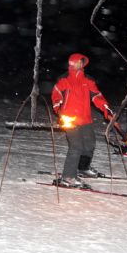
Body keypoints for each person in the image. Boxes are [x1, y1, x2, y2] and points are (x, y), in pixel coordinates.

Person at [51, 53, 114, 187]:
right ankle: (68, 176)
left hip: (85, 119)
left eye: (81, 62)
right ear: (71, 63)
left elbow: (96, 95)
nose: (80, 64)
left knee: (89, 144)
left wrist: (105, 107)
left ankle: (83, 168)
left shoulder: (88, 80)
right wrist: (59, 108)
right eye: (77, 62)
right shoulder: (64, 79)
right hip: (69, 119)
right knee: (76, 147)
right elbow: (56, 94)